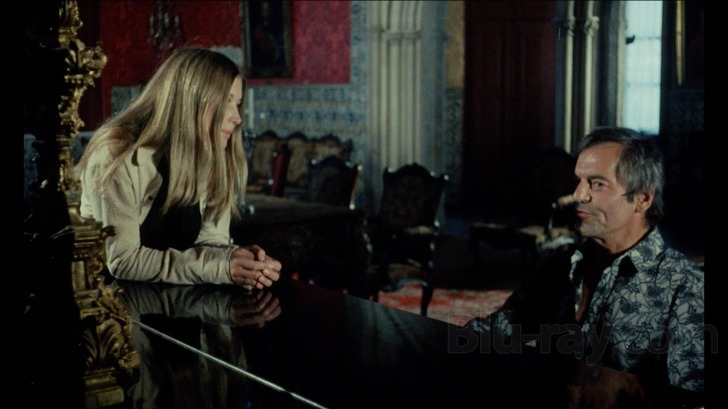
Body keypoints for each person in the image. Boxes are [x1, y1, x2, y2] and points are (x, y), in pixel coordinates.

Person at [466, 127, 704, 408]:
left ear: (643, 198)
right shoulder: (563, 265)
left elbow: (691, 400)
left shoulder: (685, 287)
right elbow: (497, 330)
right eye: (578, 181)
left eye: (597, 184)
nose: (578, 194)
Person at [76, 47, 281, 290]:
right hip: (107, 301)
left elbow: (210, 243)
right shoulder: (115, 154)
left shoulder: (212, 153)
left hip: (175, 300)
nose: (237, 118)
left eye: (237, 104)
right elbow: (123, 261)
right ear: (190, 101)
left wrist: (237, 259)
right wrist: (220, 266)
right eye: (226, 102)